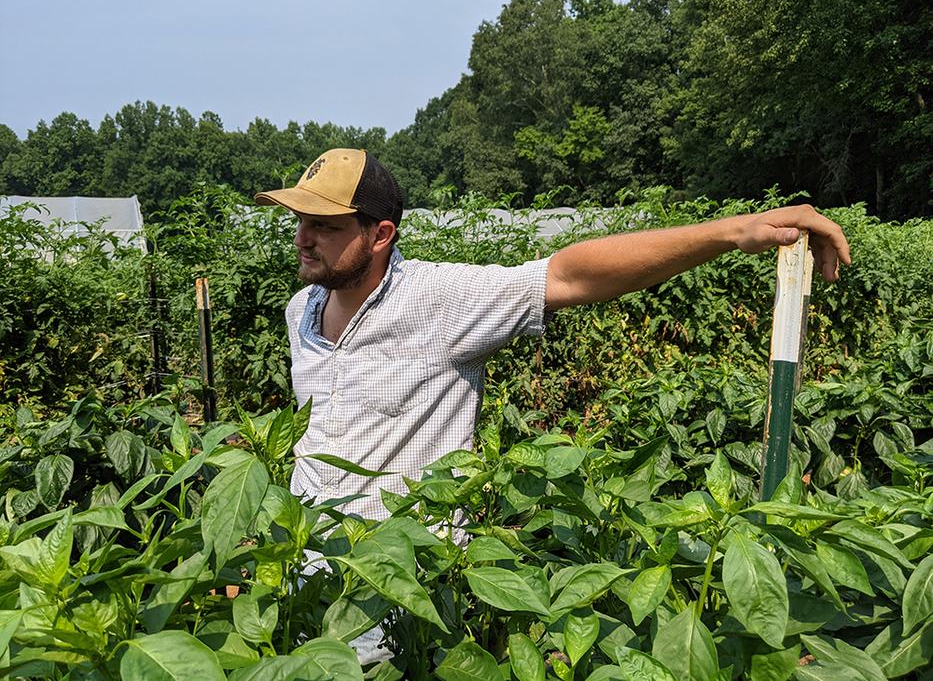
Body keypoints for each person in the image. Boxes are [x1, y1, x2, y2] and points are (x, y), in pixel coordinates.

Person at [255, 148, 851, 523]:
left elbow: (568, 274)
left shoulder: (438, 300)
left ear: (380, 234)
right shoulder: (300, 311)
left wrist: (731, 231)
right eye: (300, 222)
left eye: (324, 227)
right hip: (306, 590)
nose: (303, 238)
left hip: (402, 598)